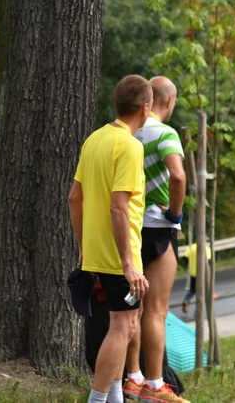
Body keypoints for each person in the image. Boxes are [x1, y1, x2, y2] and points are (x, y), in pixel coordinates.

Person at [68, 74, 152, 403]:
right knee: (121, 328)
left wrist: (83, 245)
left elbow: (75, 198)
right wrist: (129, 264)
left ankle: (114, 396)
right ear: (145, 108)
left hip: (97, 251)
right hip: (121, 255)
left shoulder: (94, 140)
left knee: (127, 325)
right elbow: (119, 207)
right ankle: (98, 399)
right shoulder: (130, 147)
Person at [123, 76, 188, 402]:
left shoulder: (128, 130)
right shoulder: (165, 133)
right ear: (170, 100)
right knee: (156, 311)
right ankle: (154, 384)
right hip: (160, 230)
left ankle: (132, 378)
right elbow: (178, 175)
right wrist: (175, 214)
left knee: (133, 307)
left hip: (131, 229)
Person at [181, 242, 213, 314]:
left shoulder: (191, 247)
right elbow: (209, 261)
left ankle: (186, 300)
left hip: (193, 272)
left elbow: (185, 257)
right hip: (203, 273)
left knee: (192, 290)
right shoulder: (206, 248)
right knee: (202, 292)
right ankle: (198, 310)